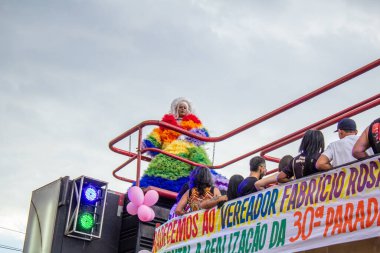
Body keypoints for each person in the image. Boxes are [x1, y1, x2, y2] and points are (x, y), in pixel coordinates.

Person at [139, 97, 228, 192]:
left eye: (185, 108)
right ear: (175, 109)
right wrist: (146, 145)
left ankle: (205, 177)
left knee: (196, 154)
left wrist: (186, 139)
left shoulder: (193, 124)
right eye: (180, 107)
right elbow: (155, 136)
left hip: (187, 153)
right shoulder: (166, 124)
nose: (182, 109)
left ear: (188, 110)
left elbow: (202, 134)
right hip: (169, 153)